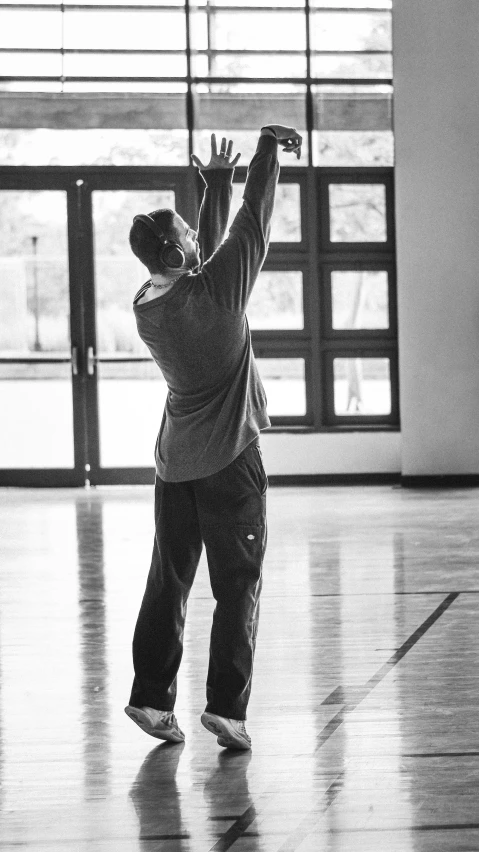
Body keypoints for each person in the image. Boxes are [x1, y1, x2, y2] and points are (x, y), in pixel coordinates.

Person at [124, 124, 302, 750]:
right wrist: (263, 154)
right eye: (187, 236)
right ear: (176, 254)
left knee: (167, 580)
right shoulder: (221, 297)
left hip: (175, 466)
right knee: (237, 584)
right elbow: (252, 223)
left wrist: (213, 190)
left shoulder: (147, 304)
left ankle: (150, 698)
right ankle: (226, 710)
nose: (197, 239)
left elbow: (200, 254)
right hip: (229, 464)